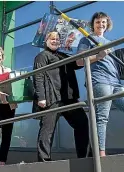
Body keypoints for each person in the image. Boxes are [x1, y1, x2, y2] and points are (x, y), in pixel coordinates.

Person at [77, 12, 124, 157]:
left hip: (116, 83)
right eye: (98, 22)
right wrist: (97, 56)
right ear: (93, 24)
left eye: (103, 22)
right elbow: (79, 62)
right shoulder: (86, 39)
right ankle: (101, 157)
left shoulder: (109, 43)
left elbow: (115, 66)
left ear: (107, 25)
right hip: (100, 81)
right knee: (102, 118)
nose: (101, 25)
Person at [32, 31, 91, 162]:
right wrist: (41, 97)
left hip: (69, 99)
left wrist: (84, 48)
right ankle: (44, 162)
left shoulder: (63, 55)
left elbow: (79, 63)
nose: (55, 41)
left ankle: (85, 158)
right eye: (52, 38)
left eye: (57, 39)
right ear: (46, 41)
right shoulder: (42, 56)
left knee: (82, 123)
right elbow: (38, 76)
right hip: (52, 98)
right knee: (47, 131)